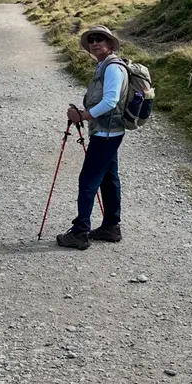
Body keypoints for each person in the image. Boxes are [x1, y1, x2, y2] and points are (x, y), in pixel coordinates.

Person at [56, 25, 128, 250]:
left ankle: (80, 232)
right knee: (108, 178)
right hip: (107, 131)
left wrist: (83, 116)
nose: (95, 43)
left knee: (88, 181)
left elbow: (110, 102)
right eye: (91, 40)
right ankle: (110, 227)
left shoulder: (113, 68)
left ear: (110, 44)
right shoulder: (104, 66)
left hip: (107, 133)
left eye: (100, 39)